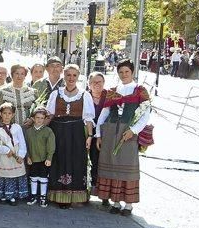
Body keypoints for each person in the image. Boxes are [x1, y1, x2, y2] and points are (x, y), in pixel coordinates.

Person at [95, 60, 151, 216]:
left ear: (132, 72)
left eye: (127, 72)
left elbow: (145, 114)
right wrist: (99, 134)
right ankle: (116, 201)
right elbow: (104, 113)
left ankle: (129, 205)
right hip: (111, 132)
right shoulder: (113, 91)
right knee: (112, 165)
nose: (124, 75)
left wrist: (133, 130)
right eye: (121, 72)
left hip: (128, 133)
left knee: (128, 167)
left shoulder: (140, 90)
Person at [45, 64, 95, 208]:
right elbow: (50, 115)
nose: (71, 78)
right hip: (58, 132)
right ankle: (59, 196)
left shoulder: (85, 95)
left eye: (74, 75)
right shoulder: (56, 94)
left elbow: (88, 118)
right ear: (64, 76)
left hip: (77, 133)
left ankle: (76, 195)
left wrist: (90, 136)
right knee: (58, 160)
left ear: (78, 76)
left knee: (76, 162)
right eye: (68, 75)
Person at [0, 102, 28, 205]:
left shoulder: (17, 127)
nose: (7, 116)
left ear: (13, 114)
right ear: (0, 114)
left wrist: (21, 155)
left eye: (9, 113)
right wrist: (6, 150)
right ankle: (3, 195)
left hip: (16, 153)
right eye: (4, 113)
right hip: (5, 155)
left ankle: (12, 196)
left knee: (14, 175)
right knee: (5, 175)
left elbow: (22, 142)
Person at [24, 107, 55, 207]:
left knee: (43, 178)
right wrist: (28, 157)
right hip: (32, 159)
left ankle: (43, 197)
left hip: (43, 160)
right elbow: (26, 145)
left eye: (42, 118)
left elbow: (51, 146)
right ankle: (33, 195)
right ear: (33, 118)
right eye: (37, 117)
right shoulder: (29, 132)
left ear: (45, 119)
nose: (39, 120)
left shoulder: (48, 131)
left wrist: (49, 158)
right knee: (33, 177)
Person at [86, 71, 107, 202]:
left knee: (103, 163)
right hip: (88, 135)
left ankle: (104, 194)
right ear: (89, 84)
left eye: (99, 82)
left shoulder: (109, 96)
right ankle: (88, 190)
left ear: (104, 83)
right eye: (94, 82)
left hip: (105, 136)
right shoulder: (85, 96)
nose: (97, 84)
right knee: (89, 162)